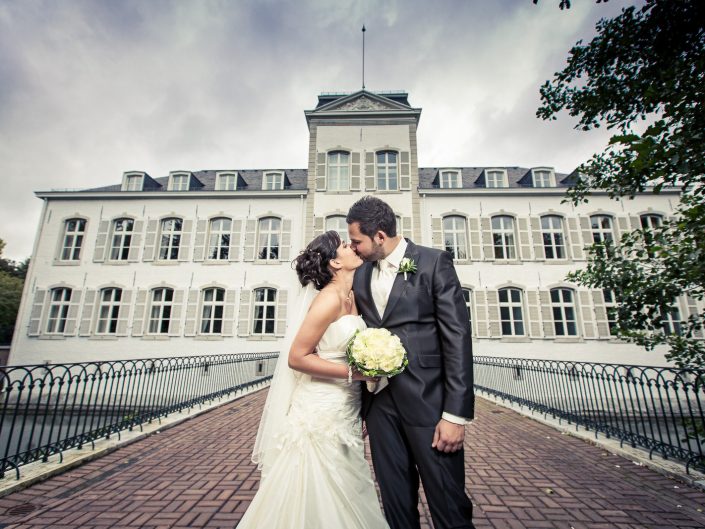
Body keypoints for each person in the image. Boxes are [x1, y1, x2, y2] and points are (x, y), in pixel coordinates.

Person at [238, 230, 390, 529]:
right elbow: (298, 357)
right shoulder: (327, 301)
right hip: (320, 406)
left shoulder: (353, 296)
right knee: (319, 479)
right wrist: (355, 373)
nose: (354, 248)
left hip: (347, 404)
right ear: (335, 262)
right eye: (347, 246)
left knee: (349, 478)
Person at [347, 196, 475, 529]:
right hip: (380, 407)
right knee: (395, 505)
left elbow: (457, 338)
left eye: (357, 241)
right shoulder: (360, 276)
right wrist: (362, 409)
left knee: (448, 505)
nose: (353, 248)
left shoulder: (434, 263)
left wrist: (455, 416)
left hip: (430, 406)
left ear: (378, 235)